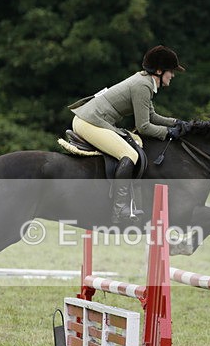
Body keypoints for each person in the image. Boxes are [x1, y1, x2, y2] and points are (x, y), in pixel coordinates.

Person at [68, 45, 188, 224]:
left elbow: (152, 116)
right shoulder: (143, 85)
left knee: (135, 145)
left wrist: (176, 122)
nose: (173, 75)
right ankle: (119, 210)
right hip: (89, 122)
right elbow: (144, 126)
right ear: (159, 71)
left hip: (91, 119)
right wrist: (168, 132)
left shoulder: (145, 82)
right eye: (171, 71)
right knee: (130, 154)